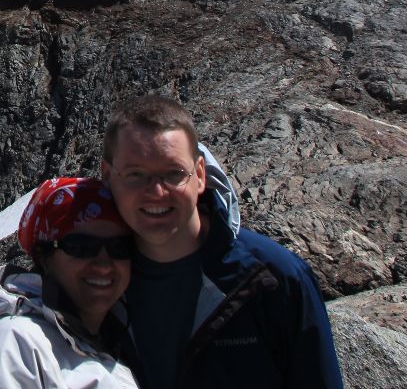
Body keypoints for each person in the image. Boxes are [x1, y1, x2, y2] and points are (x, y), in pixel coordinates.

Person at [100, 95, 342, 389]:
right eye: (136, 175)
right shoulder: (94, 279)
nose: (157, 192)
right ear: (107, 176)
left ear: (199, 174)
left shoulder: (273, 279)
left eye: (173, 174)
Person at [0, 177, 141, 389]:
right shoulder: (15, 342)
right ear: (43, 257)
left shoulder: (124, 348)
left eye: (119, 247)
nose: (104, 264)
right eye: (81, 247)